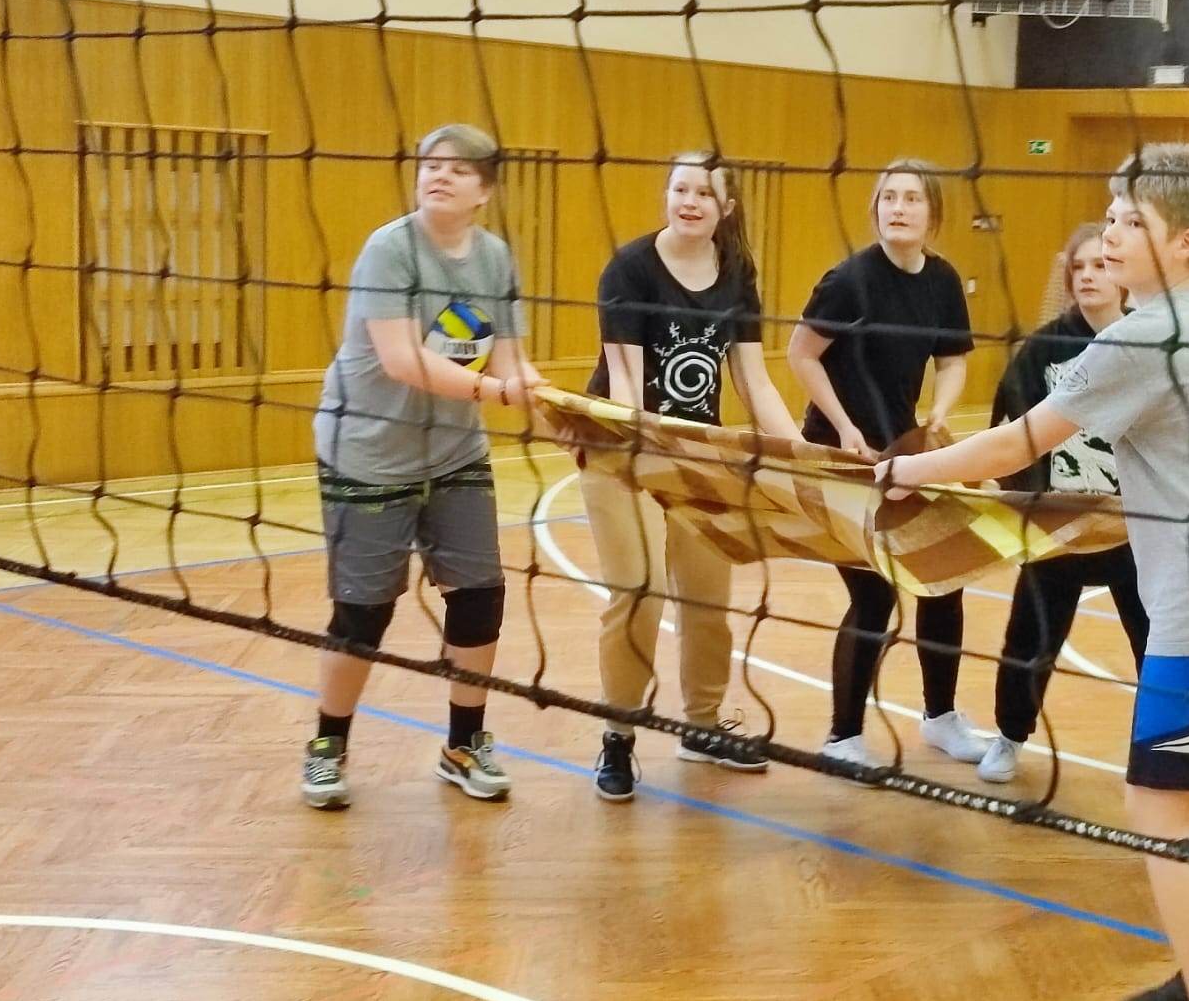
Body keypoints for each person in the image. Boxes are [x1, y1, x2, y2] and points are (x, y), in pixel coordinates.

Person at [881, 143, 1189, 1001]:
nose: (1110, 233)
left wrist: (908, 470)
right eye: (1110, 215)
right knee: (1188, 795)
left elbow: (1016, 443)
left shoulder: (1148, 334)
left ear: (1184, 240)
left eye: (1131, 221)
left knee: (1159, 804)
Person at [301, 124, 546, 811]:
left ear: (484, 192)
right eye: (431, 165)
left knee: (480, 596)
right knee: (363, 613)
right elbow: (404, 361)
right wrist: (500, 392)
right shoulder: (390, 249)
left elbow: (510, 358)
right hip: (369, 452)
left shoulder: (494, 257)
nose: (439, 175)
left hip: (454, 451)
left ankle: (463, 744)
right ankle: (328, 746)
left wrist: (545, 398)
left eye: (458, 170)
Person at [581, 153, 803, 802]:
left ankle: (701, 726)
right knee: (641, 592)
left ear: (725, 208)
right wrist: (647, 457)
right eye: (680, 188)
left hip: (699, 456)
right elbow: (625, 385)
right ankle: (618, 735)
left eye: (705, 192)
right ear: (667, 196)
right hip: (620, 451)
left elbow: (753, 380)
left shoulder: (736, 272)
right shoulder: (629, 268)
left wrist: (800, 456)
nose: (690, 200)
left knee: (708, 598)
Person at [786, 160, 993, 770]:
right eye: (889, 198)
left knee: (944, 576)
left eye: (911, 198)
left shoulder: (942, 280)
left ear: (933, 213)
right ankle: (842, 738)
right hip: (838, 457)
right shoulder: (849, 280)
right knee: (874, 595)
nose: (898, 208)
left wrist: (939, 413)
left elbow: (952, 359)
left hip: (902, 457)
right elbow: (802, 354)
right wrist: (845, 426)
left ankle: (941, 718)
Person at [980, 220, 1147, 784]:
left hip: (1133, 528)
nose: (1089, 276)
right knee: (1030, 638)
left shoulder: (1146, 341)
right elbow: (1009, 428)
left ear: (1122, 273)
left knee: (1158, 643)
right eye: (1079, 267)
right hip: (1057, 526)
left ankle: (1160, 748)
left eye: (1100, 264)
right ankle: (1009, 735)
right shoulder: (1044, 349)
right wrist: (1028, 499)